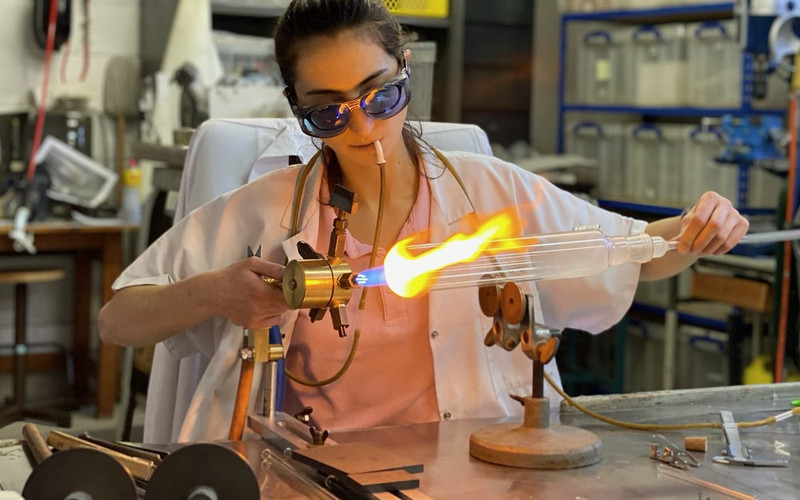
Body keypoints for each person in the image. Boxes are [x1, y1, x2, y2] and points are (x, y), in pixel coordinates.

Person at [99, 0, 749, 443]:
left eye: (380, 94)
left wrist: (698, 225)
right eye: (328, 112)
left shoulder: (492, 191)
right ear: (296, 108)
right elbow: (119, 319)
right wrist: (216, 292)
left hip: (476, 465)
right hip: (323, 473)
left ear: (406, 70)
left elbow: (634, 251)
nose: (363, 127)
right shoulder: (267, 209)